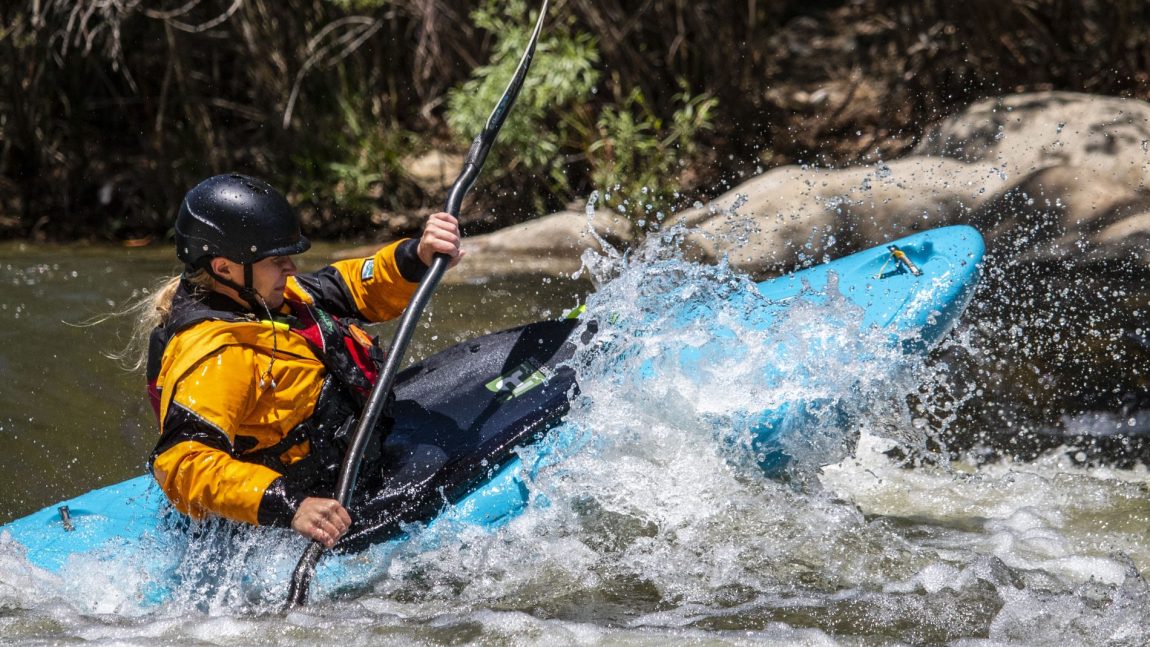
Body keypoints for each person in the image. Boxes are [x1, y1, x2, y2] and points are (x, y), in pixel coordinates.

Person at [138, 173, 463, 549]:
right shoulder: (217, 354)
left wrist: (415, 257)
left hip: (351, 467)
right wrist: (292, 506)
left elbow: (348, 286)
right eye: (277, 261)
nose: (290, 269)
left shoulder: (264, 297)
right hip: (298, 515)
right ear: (223, 267)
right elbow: (183, 462)